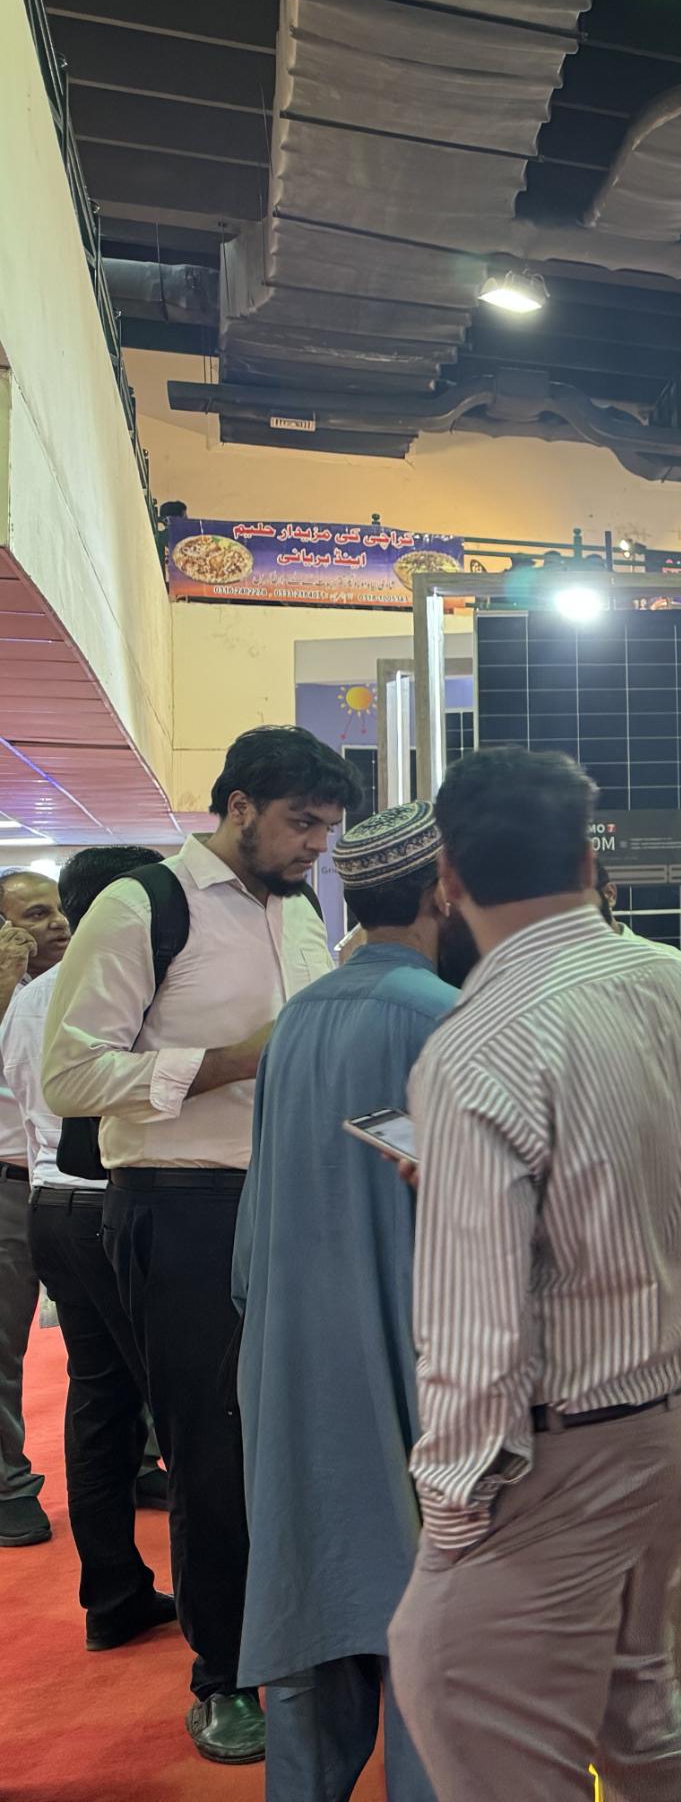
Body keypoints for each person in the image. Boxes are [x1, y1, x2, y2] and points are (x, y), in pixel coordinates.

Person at [387, 747, 681, 1802]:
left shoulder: (479, 1045)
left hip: (561, 1452)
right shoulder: (679, 984)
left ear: (448, 880)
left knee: (451, 1683)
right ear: (591, 862)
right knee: (635, 1714)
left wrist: (453, 1514)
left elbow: (475, 1330)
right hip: (672, 1411)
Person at [44, 724, 356, 1764]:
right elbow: (70, 1076)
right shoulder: (144, 906)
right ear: (238, 807)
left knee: (297, 1439)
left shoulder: (299, 909)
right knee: (211, 1449)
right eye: (302, 823)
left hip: (296, 1198)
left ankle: (306, 1636)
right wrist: (230, 1061)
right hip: (180, 1205)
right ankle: (222, 1675)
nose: (316, 845)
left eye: (328, 828)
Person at [234, 805, 473, 1802]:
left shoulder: (297, 1022)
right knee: (433, 1644)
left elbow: (255, 1231)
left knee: (315, 1618)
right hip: (418, 1375)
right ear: (442, 892)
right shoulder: (445, 1022)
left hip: (294, 1370)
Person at [3, 848, 172, 1645]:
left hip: (52, 1203)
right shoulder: (126, 984)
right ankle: (221, 1627)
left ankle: (112, 1595)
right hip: (118, 1202)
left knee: (100, 1399)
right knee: (182, 1404)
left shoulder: (32, 997)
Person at [0, 866, 71, 1548]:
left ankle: (138, 1462)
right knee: (3, 1346)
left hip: (74, 1184)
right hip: (9, 1185)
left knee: (109, 1338)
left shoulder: (81, 987)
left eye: (58, 909)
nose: (57, 924)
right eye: (35, 914)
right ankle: (7, 1487)